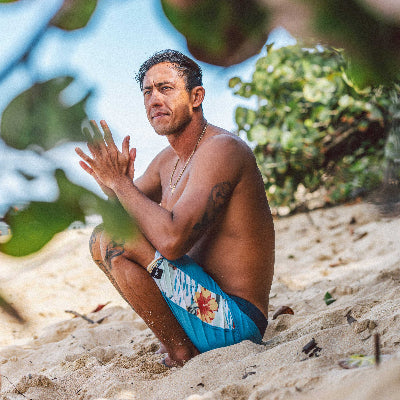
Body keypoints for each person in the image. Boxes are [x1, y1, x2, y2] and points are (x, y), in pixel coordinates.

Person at [75, 49, 275, 367]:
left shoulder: (222, 149)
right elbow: (124, 220)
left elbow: (172, 241)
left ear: (196, 97)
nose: (154, 100)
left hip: (234, 322)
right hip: (193, 310)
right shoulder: (166, 161)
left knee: (116, 240)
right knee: (102, 237)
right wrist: (111, 185)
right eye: (147, 92)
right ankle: (178, 342)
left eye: (165, 88)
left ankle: (180, 351)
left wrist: (123, 185)